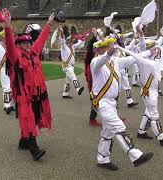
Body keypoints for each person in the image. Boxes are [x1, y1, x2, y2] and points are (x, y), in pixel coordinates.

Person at [91, 37, 153, 171]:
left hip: (112, 103)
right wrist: (108, 54)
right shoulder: (95, 61)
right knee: (119, 126)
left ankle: (102, 159)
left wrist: (149, 52)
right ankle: (135, 155)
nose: (107, 48)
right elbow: (100, 62)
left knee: (108, 132)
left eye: (108, 46)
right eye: (104, 47)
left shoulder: (115, 61)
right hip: (102, 102)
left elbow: (132, 58)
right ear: (97, 49)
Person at [2, 9, 53, 161]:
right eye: (24, 43)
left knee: (35, 117)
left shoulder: (33, 53)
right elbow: (10, 44)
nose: (27, 45)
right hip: (23, 96)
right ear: (18, 45)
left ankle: (23, 142)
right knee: (29, 119)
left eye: (28, 42)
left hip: (37, 93)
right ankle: (34, 150)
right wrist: (7, 26)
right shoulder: (15, 56)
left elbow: (41, 41)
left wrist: (48, 25)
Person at [59, 26, 85, 99]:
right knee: (73, 76)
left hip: (71, 66)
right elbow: (62, 40)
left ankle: (65, 93)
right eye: (70, 40)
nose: (71, 41)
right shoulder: (64, 47)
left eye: (72, 40)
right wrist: (61, 32)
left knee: (68, 81)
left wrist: (82, 38)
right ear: (67, 41)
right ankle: (78, 89)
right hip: (66, 66)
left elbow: (80, 43)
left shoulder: (73, 47)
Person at [84, 28, 101, 127]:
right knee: (97, 99)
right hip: (94, 82)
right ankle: (92, 119)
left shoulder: (96, 56)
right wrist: (94, 36)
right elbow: (90, 47)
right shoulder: (91, 57)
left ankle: (113, 118)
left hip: (96, 81)